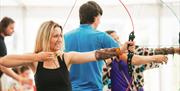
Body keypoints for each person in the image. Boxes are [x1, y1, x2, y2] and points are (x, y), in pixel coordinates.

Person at [0, 20, 168, 91]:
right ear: (45, 37)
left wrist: (120, 49)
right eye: (55, 36)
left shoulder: (66, 57)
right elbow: (4, 61)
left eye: (60, 35)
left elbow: (95, 55)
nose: (60, 39)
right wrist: (37, 57)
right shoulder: (36, 60)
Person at [64, 1, 168, 91]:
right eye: (99, 18)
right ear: (96, 17)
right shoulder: (101, 36)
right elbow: (129, 59)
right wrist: (155, 58)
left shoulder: (65, 37)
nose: (99, 21)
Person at [105, 30, 180, 91]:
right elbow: (102, 77)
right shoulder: (106, 57)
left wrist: (174, 50)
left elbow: (151, 52)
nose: (117, 41)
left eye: (118, 38)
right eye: (114, 39)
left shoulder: (132, 50)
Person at [0, 17, 35, 90]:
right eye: (11, 28)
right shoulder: (0, 43)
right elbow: (2, 66)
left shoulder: (2, 41)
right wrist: (21, 79)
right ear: (4, 27)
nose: (13, 31)